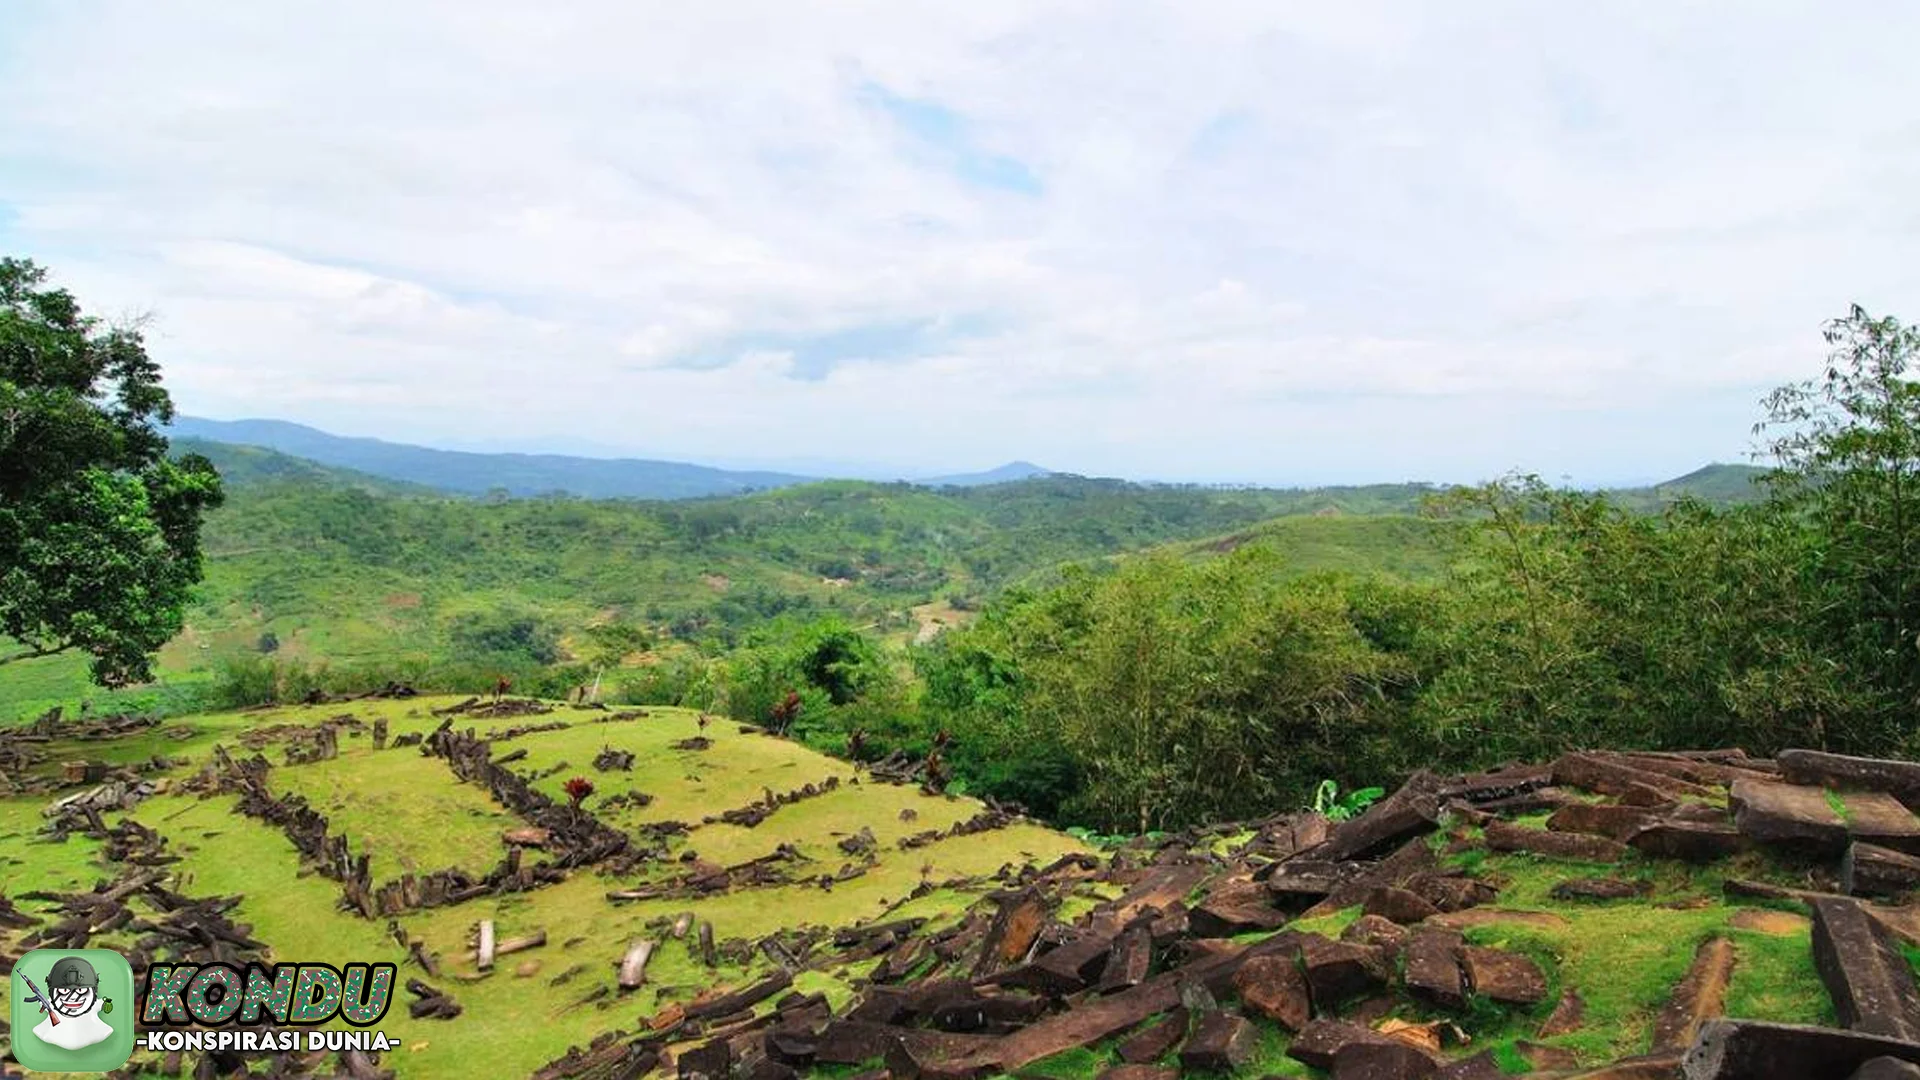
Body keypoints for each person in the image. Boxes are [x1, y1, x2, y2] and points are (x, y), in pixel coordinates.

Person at [30, 956, 116, 1051]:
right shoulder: (45, 1031)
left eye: (80, 990)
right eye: (64, 991)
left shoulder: (100, 1030)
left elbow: (105, 1005)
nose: (73, 997)